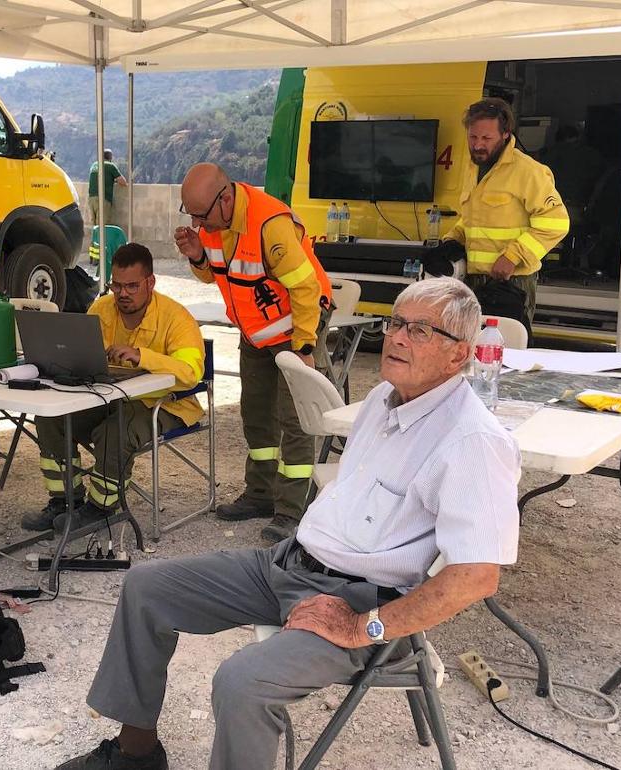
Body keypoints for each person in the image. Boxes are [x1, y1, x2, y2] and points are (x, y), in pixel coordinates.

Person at [53, 277, 521, 770]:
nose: (398, 337)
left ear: (459, 355)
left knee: (241, 681)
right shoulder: (384, 399)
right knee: (147, 587)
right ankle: (136, 755)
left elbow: (475, 577)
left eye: (421, 330)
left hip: (359, 599)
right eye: (397, 323)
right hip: (287, 562)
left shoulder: (472, 439)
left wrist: (364, 626)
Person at [174, 162, 333, 544]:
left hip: (295, 328)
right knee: (256, 415)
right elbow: (218, 273)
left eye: (202, 216)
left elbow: (306, 289)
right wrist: (198, 256)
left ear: (226, 198)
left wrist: (306, 346)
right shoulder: (216, 225)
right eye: (191, 216)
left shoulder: (269, 224)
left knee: (293, 419)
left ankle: (292, 510)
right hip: (256, 333)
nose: (198, 224)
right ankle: (260, 494)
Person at [20, 243, 205, 533]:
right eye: (116, 285)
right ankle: (65, 501)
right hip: (109, 395)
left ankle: (101, 508)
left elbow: (191, 373)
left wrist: (142, 356)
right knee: (52, 417)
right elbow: (82, 350)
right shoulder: (102, 307)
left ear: (150, 282)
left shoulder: (176, 317)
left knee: (114, 430)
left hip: (166, 403)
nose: (122, 293)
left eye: (132, 286)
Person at [423, 98, 569, 326]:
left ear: (505, 134)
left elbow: (556, 223)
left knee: (507, 355)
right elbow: (472, 218)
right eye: (473, 137)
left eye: (486, 138)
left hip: (512, 282)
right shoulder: (474, 168)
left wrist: (512, 257)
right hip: (472, 280)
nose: (478, 145)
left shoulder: (528, 171)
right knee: (468, 351)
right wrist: (452, 241)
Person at [88, 148, 128, 223]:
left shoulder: (94, 165)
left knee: (95, 225)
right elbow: (123, 182)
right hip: (103, 198)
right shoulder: (110, 166)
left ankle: (95, 235)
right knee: (103, 225)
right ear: (110, 157)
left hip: (91, 198)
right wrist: (114, 179)